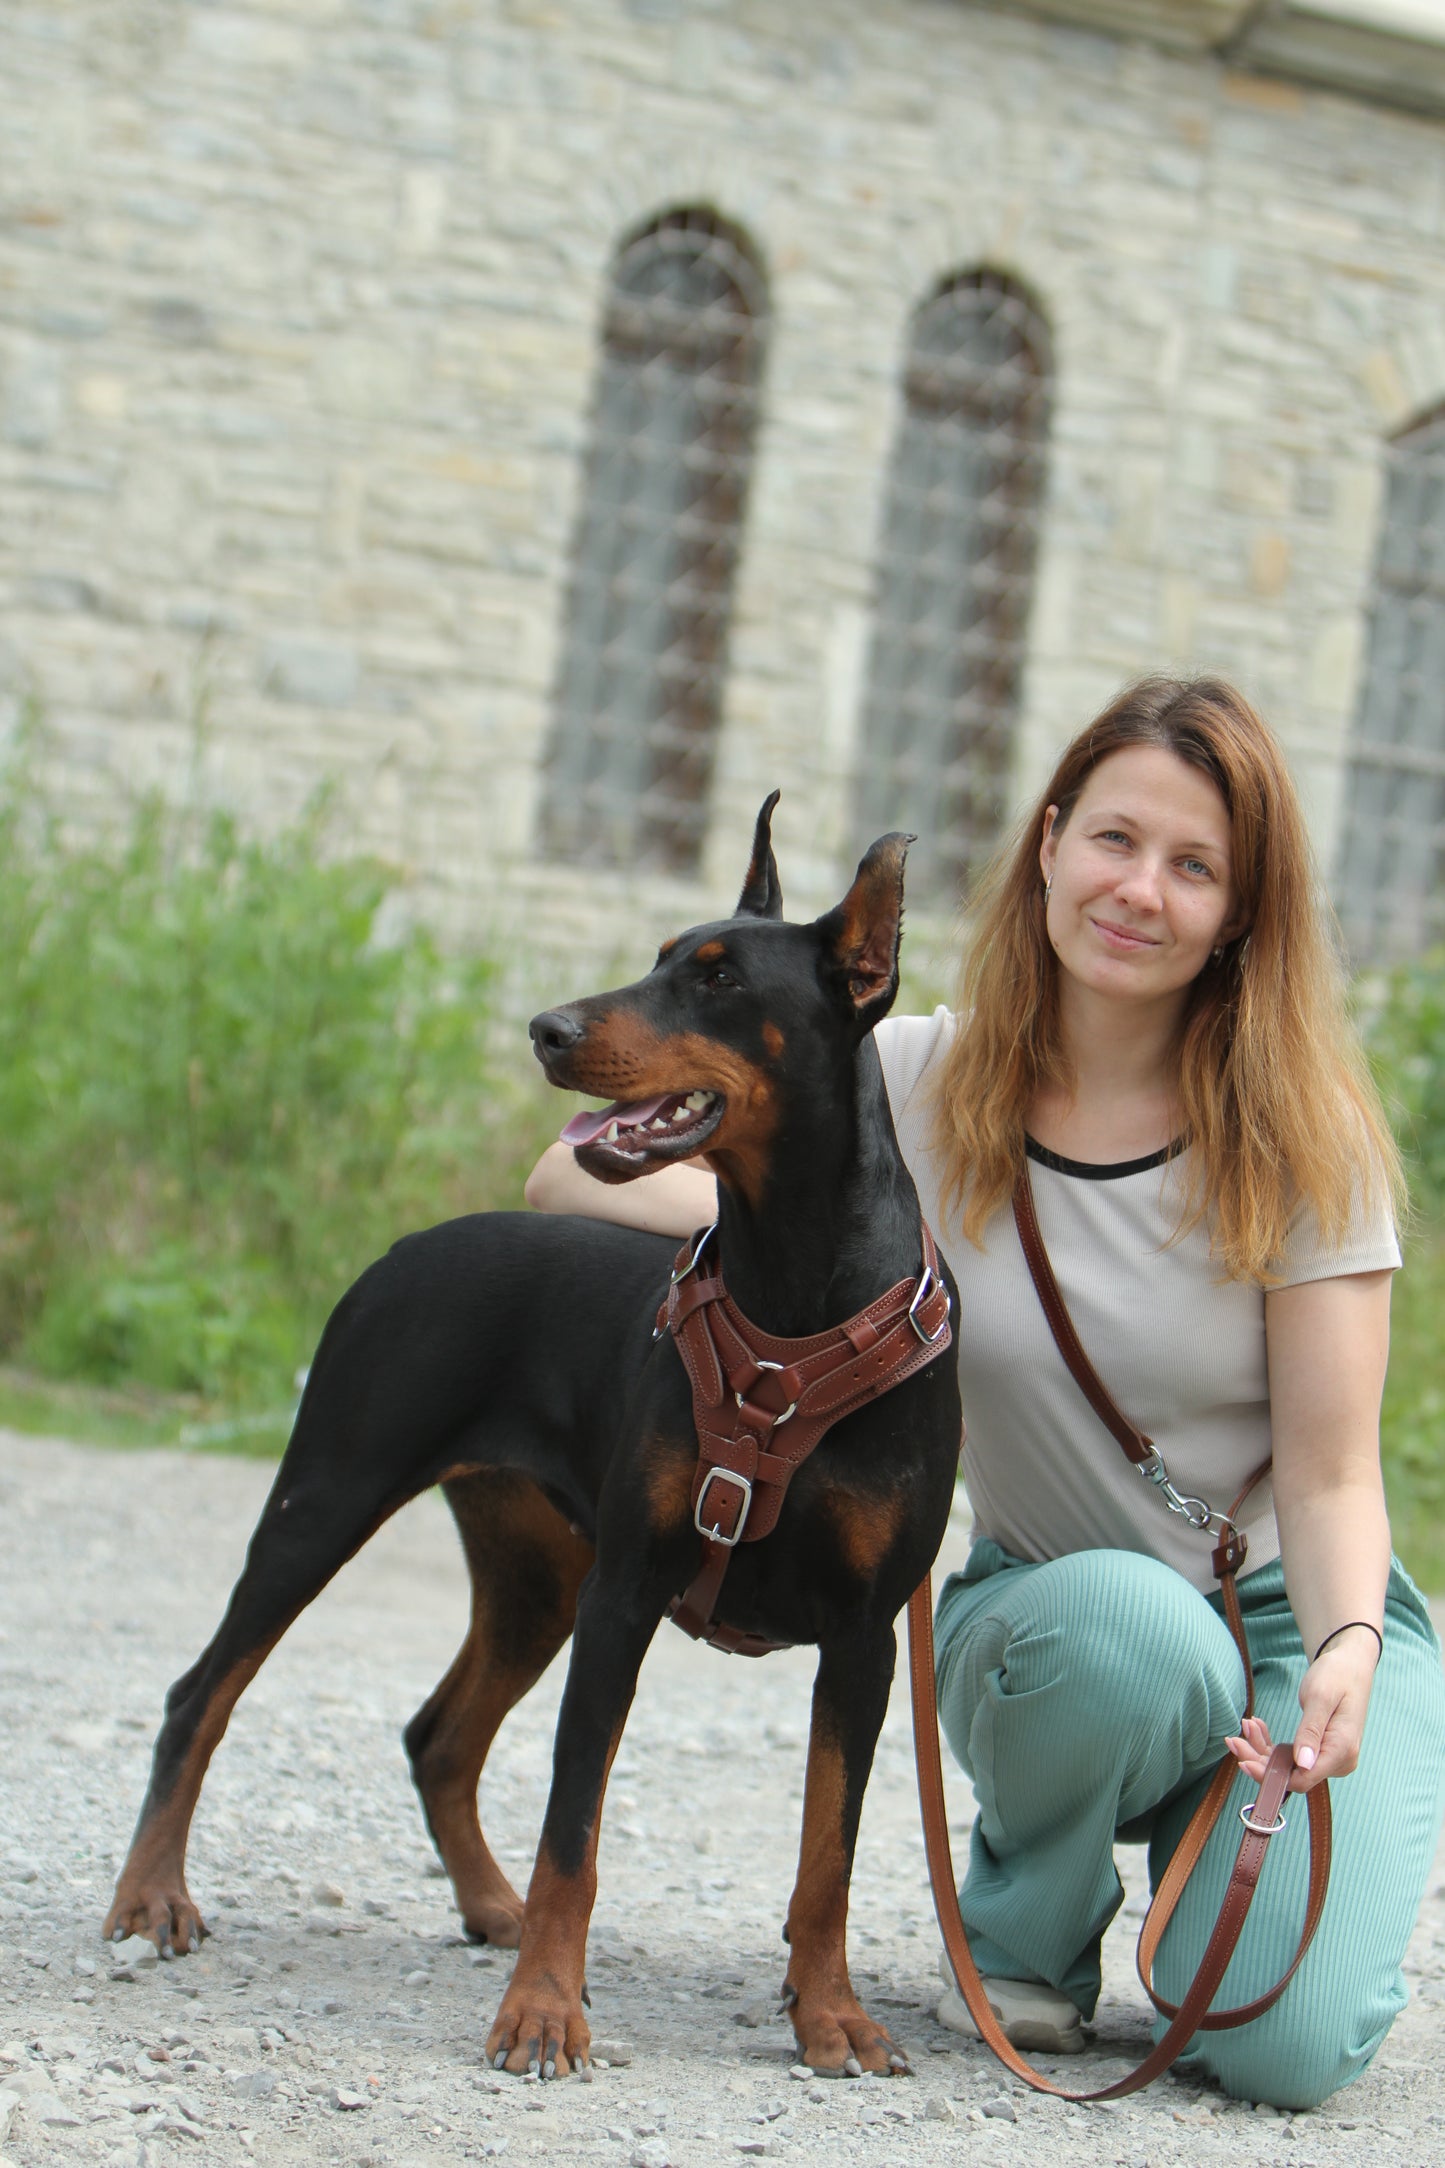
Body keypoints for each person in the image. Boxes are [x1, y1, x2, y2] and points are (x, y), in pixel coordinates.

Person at [524, 676, 1445, 2109]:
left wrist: (1342, 1652)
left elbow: (1330, 1480)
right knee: (1123, 1633)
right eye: (1113, 839)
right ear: (1049, 842)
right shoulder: (916, 1080)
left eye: (1193, 866)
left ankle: (1214, 1845)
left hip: (1292, 1622)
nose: (1139, 890)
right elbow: (561, 1173)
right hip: (1074, 1619)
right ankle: (1032, 1917)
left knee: (1279, 2045)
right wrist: (765, 1225)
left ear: (1242, 911)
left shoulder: (1301, 1142)